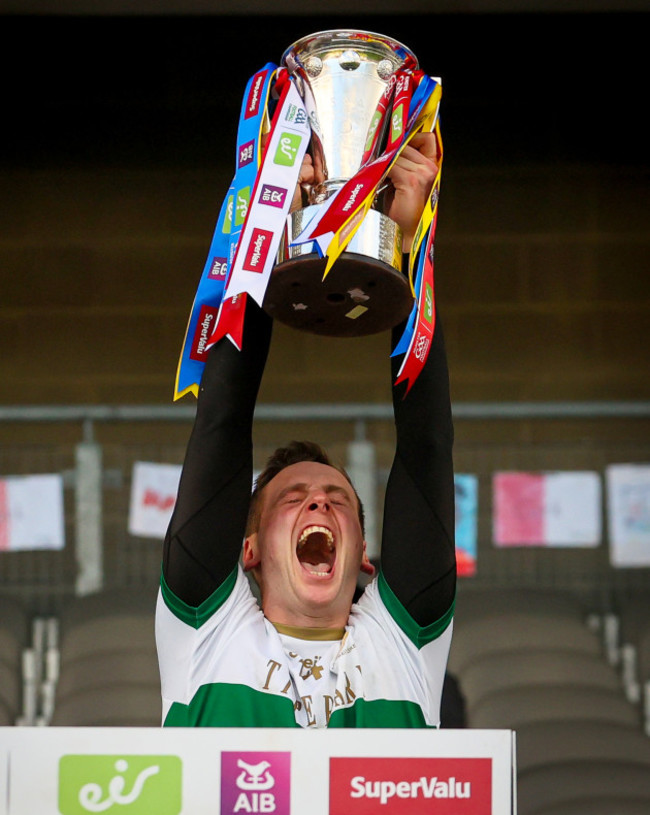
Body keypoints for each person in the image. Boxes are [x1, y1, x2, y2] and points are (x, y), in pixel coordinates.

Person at [156, 131, 457, 728]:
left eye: (337, 500)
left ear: (365, 557)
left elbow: (427, 448)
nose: (318, 502)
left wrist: (404, 244)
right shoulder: (203, 631)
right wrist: (269, 225)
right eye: (292, 499)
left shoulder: (406, 642)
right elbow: (222, 422)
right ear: (247, 550)